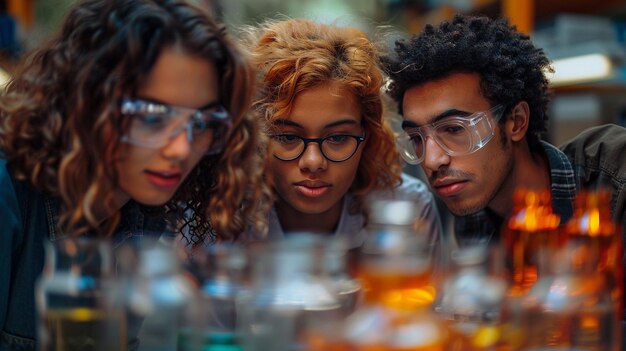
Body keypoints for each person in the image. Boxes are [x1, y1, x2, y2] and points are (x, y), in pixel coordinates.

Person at [0, 0, 265, 348]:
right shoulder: (8, 192)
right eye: (152, 116)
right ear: (86, 99)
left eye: (201, 123)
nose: (181, 150)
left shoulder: (144, 211)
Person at [381, 14, 626, 248]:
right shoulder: (474, 220)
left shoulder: (614, 179)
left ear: (516, 121)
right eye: (416, 138)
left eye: (455, 129)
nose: (432, 160)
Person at [247, 19, 442, 258]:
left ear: (366, 136)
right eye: (287, 136)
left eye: (338, 138)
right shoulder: (225, 213)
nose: (313, 162)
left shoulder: (405, 209)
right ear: (256, 135)